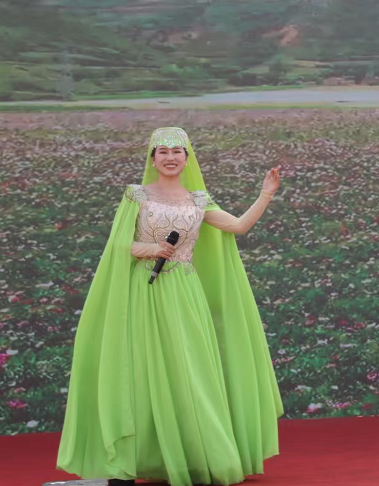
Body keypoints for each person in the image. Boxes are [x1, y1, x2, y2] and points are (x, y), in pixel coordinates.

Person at [57, 127, 284, 486]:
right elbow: (119, 245)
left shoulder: (199, 200)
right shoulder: (136, 195)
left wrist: (265, 194)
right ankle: (140, 457)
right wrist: (150, 249)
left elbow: (238, 226)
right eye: (162, 151)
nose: (170, 157)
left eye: (177, 151)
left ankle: (197, 455)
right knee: (142, 368)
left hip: (184, 290)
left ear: (187, 158)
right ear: (152, 158)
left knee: (191, 368)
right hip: (142, 290)